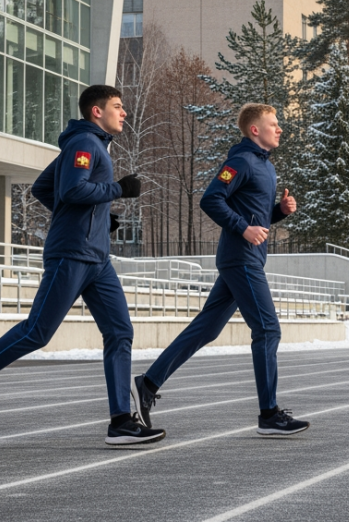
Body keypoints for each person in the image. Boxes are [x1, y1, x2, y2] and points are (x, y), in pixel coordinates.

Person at [0, 84, 165, 446]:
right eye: (118, 106)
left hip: (97, 258)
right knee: (37, 332)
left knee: (120, 332)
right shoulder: (85, 144)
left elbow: (45, 189)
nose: (124, 113)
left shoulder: (91, 144)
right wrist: (117, 191)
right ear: (97, 111)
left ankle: (121, 421)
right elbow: (72, 191)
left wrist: (97, 216)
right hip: (71, 253)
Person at [130, 103, 308, 435]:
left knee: (206, 329)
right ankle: (269, 415)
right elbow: (211, 199)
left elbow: (255, 214)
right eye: (273, 124)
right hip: (240, 258)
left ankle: (148, 383)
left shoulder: (264, 166)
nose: (279, 128)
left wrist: (279, 211)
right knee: (268, 330)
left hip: (247, 259)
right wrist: (242, 228)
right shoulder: (240, 161)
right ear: (255, 130)